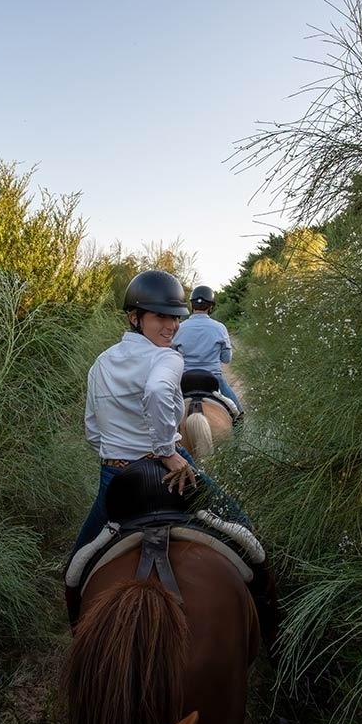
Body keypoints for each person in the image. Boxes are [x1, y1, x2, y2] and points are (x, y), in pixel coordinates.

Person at [68, 270, 280, 656]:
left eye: (175, 317)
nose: (171, 326)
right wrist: (167, 452)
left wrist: (113, 449)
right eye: (160, 317)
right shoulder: (166, 359)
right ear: (135, 317)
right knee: (247, 535)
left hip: (115, 475)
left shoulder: (101, 362)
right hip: (170, 469)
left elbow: (91, 426)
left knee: (75, 567)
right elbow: (157, 390)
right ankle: (274, 639)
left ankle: (75, 634)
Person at [172, 285, 244, 419]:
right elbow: (226, 358)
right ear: (211, 306)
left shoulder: (179, 328)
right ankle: (240, 425)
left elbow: (172, 356)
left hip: (184, 379)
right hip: (213, 378)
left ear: (191, 304)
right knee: (238, 413)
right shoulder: (219, 328)